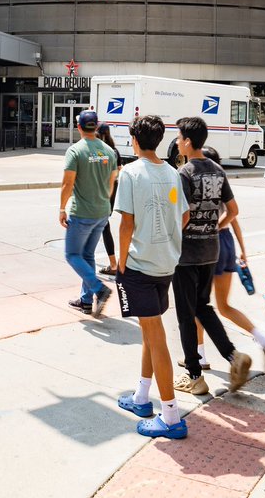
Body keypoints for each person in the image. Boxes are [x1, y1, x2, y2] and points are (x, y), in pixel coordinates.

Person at [114, 114, 190, 439]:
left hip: (139, 265)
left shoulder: (131, 173)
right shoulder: (172, 173)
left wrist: (120, 262)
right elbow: (183, 214)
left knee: (155, 337)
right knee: (150, 330)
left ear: (134, 140)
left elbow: (126, 223)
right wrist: (169, 240)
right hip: (165, 264)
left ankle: (171, 416)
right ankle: (142, 397)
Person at [170, 118, 253, 396]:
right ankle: (233, 355)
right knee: (203, 307)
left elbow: (182, 215)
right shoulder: (218, 171)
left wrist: (172, 238)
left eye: (179, 138)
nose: (177, 142)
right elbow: (233, 210)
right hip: (210, 250)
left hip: (187, 254)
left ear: (188, 142)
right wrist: (215, 227)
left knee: (185, 316)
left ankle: (194, 376)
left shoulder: (184, 173)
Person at [187, 146, 265, 375]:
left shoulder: (199, 183)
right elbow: (233, 216)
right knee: (223, 306)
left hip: (209, 243)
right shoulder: (221, 183)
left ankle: (200, 355)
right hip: (227, 243)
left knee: (198, 304)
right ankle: (264, 339)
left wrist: (213, 228)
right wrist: (242, 251)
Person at [59, 110, 119, 316]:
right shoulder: (108, 151)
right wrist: (102, 200)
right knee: (87, 255)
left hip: (82, 212)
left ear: (79, 127)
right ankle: (86, 301)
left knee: (72, 254)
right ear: (96, 127)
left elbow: (68, 184)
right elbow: (112, 183)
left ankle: (99, 288)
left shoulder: (76, 151)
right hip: (102, 212)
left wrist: (62, 208)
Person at [96, 123, 121, 276]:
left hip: (101, 190)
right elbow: (119, 170)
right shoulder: (114, 150)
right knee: (103, 224)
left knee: (102, 225)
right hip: (112, 188)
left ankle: (113, 265)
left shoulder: (99, 151)